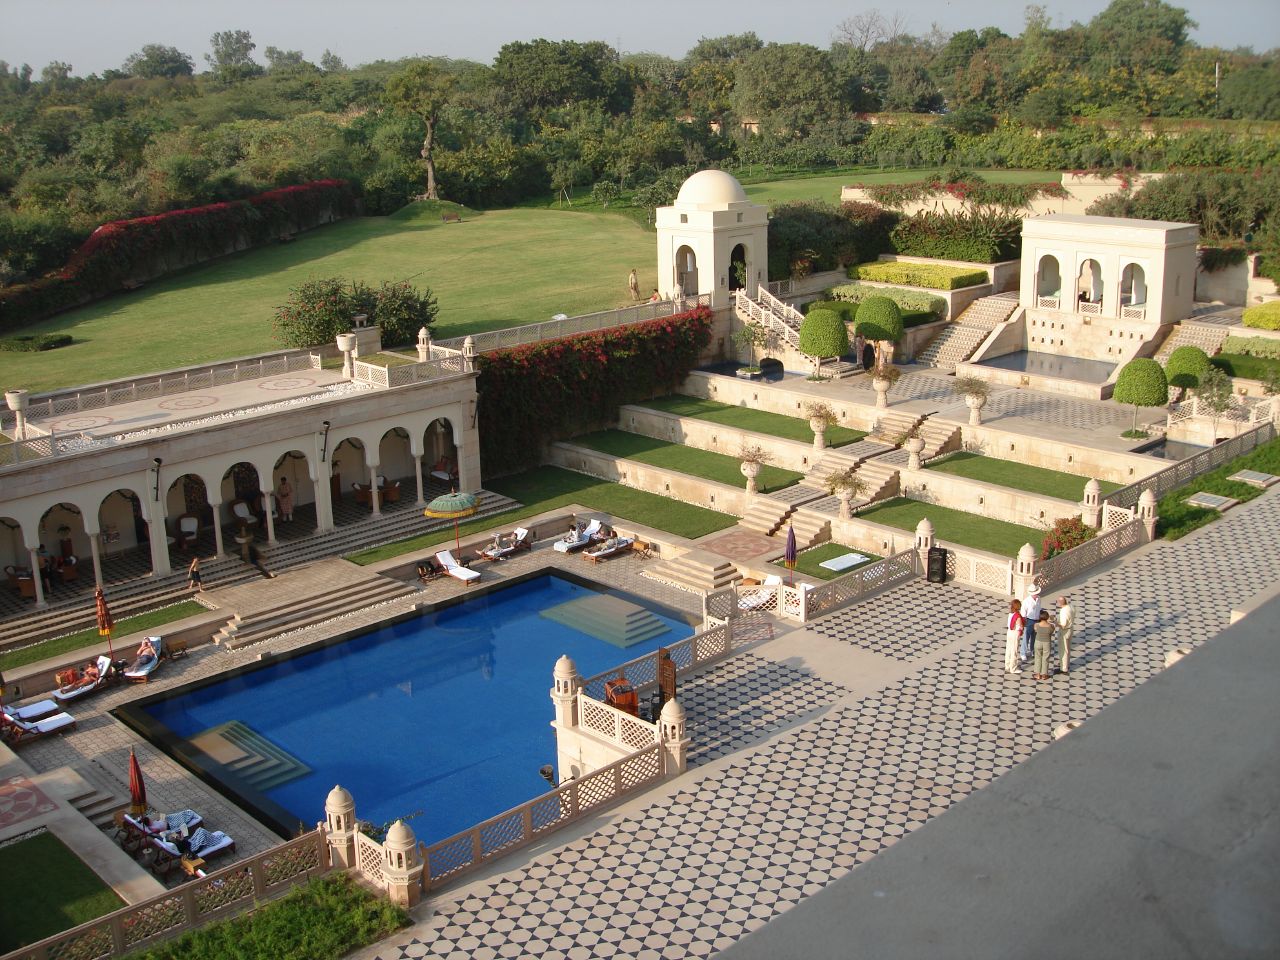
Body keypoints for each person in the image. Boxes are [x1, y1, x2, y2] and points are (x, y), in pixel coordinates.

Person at [1020, 585, 1042, 665]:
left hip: (1037, 620)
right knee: (1026, 637)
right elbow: (1023, 613)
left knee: (1034, 636)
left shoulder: (1039, 599)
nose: (1036, 594)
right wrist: (1024, 622)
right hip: (1029, 620)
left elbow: (1039, 609)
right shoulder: (1026, 601)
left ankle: (1032, 650)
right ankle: (1023, 653)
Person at [1032, 611, 1056, 680]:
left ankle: (1037, 674)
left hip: (1038, 642)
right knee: (1046, 658)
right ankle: (1044, 675)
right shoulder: (1050, 626)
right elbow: (1052, 630)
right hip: (1047, 643)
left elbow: (1035, 630)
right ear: (1047, 617)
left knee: (1038, 657)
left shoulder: (1036, 625)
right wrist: (1052, 620)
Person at [1004, 599, 1024, 674]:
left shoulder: (1010, 614)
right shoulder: (1017, 616)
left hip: (1009, 632)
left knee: (1008, 649)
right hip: (1015, 633)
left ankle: (1007, 665)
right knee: (1014, 651)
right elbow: (1020, 625)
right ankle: (1013, 668)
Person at [1056, 595, 1075, 675]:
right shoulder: (1071, 606)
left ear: (1060, 603)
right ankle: (1066, 663)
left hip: (1065, 631)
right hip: (1070, 629)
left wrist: (1056, 623)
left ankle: (1063, 668)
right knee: (1068, 648)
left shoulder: (1064, 611)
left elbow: (1063, 625)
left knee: (1063, 649)